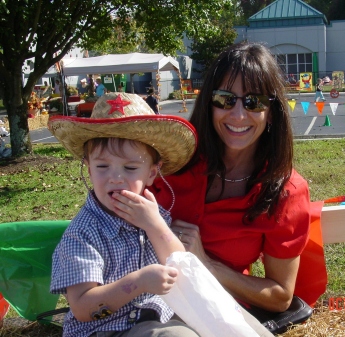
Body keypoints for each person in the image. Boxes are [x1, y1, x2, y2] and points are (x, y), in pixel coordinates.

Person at [150, 42, 316, 323]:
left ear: (271, 111)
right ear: (209, 104)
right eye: (225, 99)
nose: (238, 115)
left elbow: (280, 297)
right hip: (143, 302)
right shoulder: (171, 163)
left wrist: (205, 264)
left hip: (216, 311)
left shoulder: (285, 191)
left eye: (254, 102)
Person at [48, 93, 201, 337]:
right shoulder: (83, 234)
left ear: (152, 173)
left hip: (153, 322)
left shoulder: (154, 214)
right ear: (88, 169)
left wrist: (155, 226)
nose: (115, 177)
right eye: (102, 166)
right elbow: (82, 308)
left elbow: (180, 265)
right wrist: (138, 283)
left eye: (130, 168)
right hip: (104, 331)